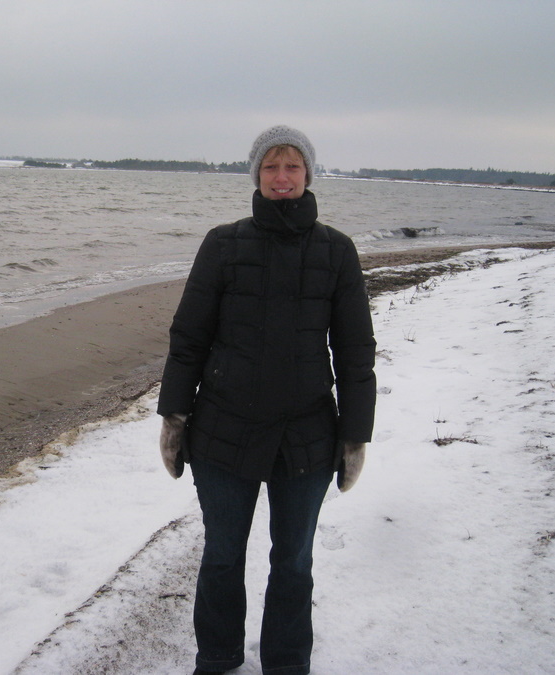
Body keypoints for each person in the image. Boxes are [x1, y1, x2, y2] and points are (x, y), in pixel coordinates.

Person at [157, 125, 376, 675]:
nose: (282, 177)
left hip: (306, 436)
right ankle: (218, 657)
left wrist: (355, 435)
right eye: (271, 167)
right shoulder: (223, 244)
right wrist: (174, 415)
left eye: (292, 166)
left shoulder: (337, 251)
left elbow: (355, 353)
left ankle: (286, 663)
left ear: (308, 174)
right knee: (222, 555)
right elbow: (189, 338)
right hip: (223, 431)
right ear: (256, 174)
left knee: (294, 562)